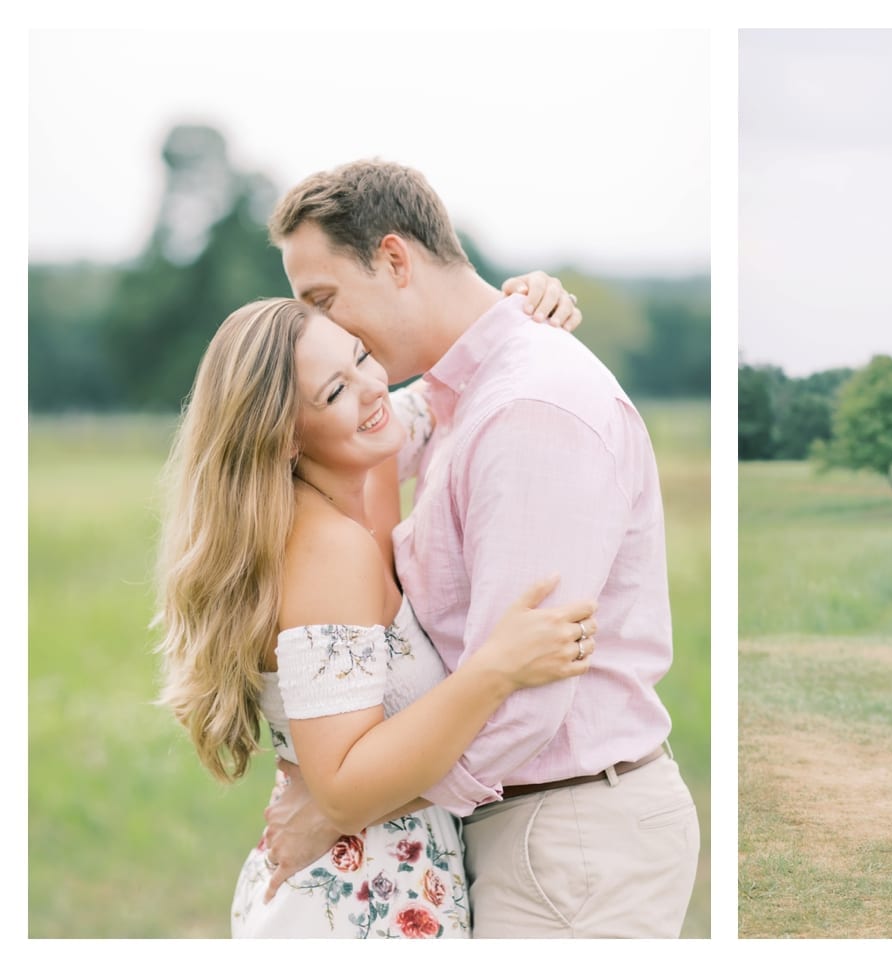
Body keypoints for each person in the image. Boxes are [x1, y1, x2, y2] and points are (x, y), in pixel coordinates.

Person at [260, 159, 700, 938]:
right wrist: (515, 307)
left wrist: (347, 805)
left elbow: (524, 702)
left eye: (325, 301)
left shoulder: (528, 406)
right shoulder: (461, 394)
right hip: (534, 830)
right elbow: (357, 428)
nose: (326, 333)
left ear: (395, 259)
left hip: (567, 839)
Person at [154, 296, 601, 937]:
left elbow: (432, 393)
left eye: (363, 357)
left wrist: (521, 304)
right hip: (361, 903)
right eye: (336, 389)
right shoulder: (327, 550)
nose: (372, 387)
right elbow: (338, 789)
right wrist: (497, 668)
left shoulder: (360, 472)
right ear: (283, 435)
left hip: (369, 882)